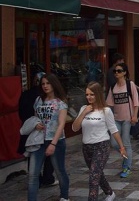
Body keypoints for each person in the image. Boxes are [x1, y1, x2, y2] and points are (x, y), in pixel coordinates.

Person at [72, 81, 127, 201]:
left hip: (101, 146)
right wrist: (84, 112)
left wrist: (122, 147)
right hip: (86, 147)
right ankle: (110, 193)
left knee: (93, 177)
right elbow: (75, 128)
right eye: (87, 94)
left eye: (92, 94)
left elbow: (114, 130)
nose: (89, 97)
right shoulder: (83, 108)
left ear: (97, 94)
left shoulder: (106, 111)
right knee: (97, 174)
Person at [28, 73, 70, 201]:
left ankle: (64, 196)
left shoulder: (60, 102)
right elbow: (35, 118)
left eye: (48, 83)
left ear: (54, 84)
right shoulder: (38, 100)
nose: (45, 86)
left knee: (60, 171)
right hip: (39, 141)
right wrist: (36, 125)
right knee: (33, 174)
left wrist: (53, 144)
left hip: (56, 141)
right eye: (43, 84)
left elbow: (62, 124)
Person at [18, 72, 57, 189]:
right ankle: (47, 178)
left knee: (33, 154)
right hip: (43, 130)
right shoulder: (42, 97)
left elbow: (21, 113)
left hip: (31, 129)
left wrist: (29, 124)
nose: (45, 86)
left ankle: (36, 179)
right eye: (44, 83)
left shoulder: (26, 94)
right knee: (49, 156)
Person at [106, 63, 139, 178]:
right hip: (116, 119)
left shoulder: (130, 85)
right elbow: (109, 105)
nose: (116, 73)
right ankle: (125, 155)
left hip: (127, 119)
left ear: (124, 72)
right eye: (115, 71)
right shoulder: (113, 87)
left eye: (119, 71)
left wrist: (134, 116)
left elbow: (136, 102)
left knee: (126, 143)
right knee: (114, 142)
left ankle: (127, 166)